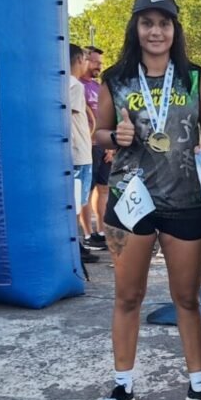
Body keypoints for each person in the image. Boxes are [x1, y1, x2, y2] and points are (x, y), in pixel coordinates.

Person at [93, 0, 201, 400]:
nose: (155, 31)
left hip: (185, 199)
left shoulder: (194, 78)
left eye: (163, 23)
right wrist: (116, 138)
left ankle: (199, 386)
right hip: (131, 201)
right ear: (136, 28)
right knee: (128, 296)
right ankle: (123, 386)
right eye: (147, 23)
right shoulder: (116, 78)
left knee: (186, 298)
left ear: (174, 29)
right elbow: (98, 133)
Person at [69, 44, 98, 265]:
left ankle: (76, 243)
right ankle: (75, 244)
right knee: (77, 202)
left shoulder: (64, 84)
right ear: (79, 60)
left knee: (77, 201)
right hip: (79, 153)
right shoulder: (75, 86)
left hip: (79, 151)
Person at [81, 45, 110, 249]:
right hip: (86, 145)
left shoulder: (98, 87)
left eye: (100, 63)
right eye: (95, 62)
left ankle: (101, 230)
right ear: (83, 60)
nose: (98, 66)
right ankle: (87, 234)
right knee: (86, 190)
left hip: (102, 146)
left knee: (104, 188)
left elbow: (107, 117)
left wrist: (111, 145)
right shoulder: (74, 85)